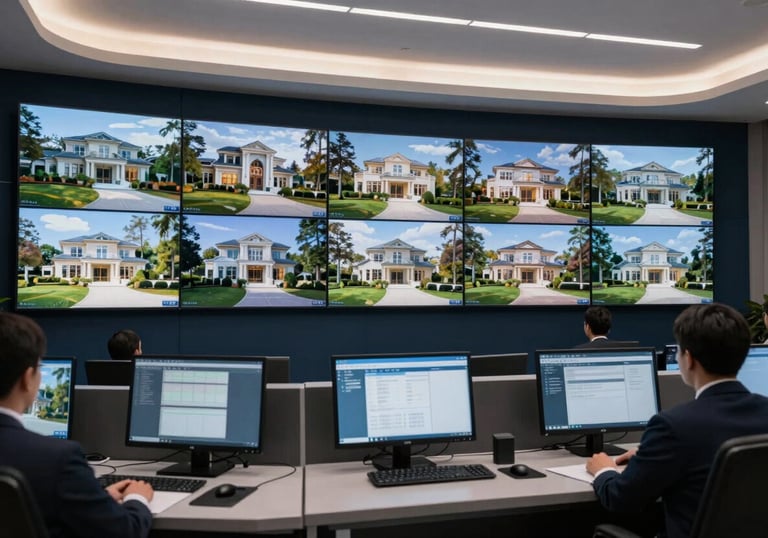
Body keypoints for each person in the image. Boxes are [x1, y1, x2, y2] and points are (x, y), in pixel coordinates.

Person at [586, 303, 768, 538]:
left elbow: (621, 499)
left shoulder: (673, 426)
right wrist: (649, 455)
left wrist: (603, 471)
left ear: (688, 358)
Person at [0, 312, 154, 538]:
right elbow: (124, 532)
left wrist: (93, 498)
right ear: (27, 378)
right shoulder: (58, 459)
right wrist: (137, 498)